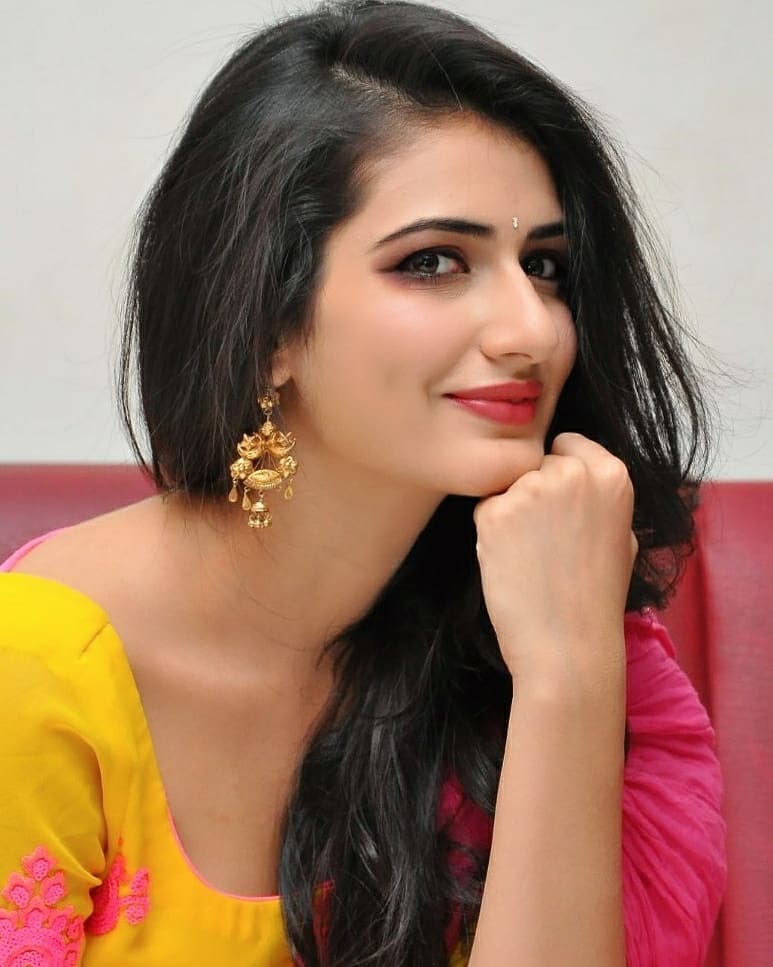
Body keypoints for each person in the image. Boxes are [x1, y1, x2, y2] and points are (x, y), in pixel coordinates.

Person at [0, 0, 726, 964]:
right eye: (433, 262)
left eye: (545, 265)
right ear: (267, 324)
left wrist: (563, 676)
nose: (531, 329)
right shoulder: (34, 671)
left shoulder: (569, 631)